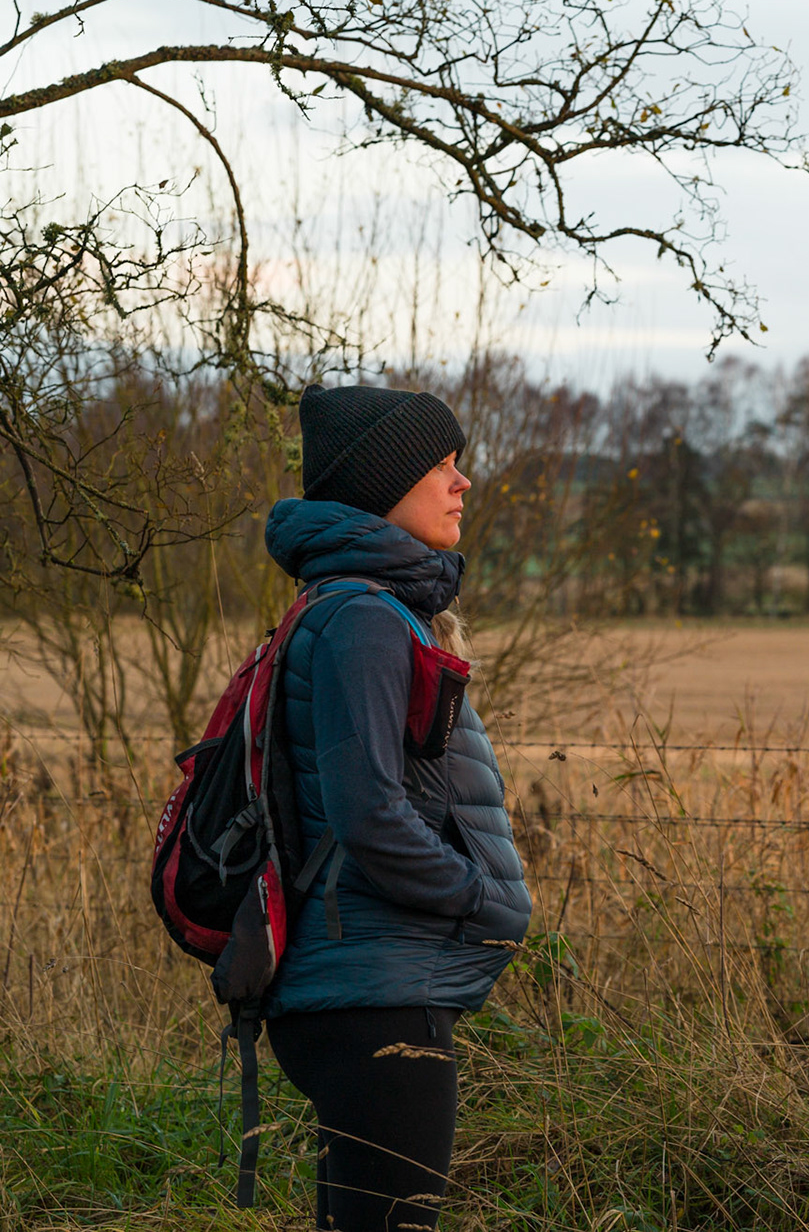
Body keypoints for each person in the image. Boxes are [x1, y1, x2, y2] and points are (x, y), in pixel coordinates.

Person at [261, 384, 531, 1232]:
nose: (462, 482)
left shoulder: (359, 608)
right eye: (440, 465)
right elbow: (369, 813)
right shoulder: (367, 619)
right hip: (377, 993)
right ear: (383, 485)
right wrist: (478, 897)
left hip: (362, 984)